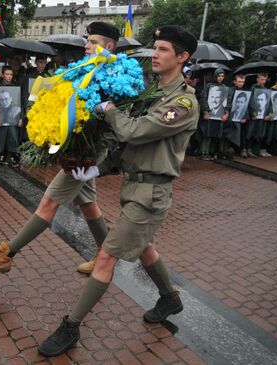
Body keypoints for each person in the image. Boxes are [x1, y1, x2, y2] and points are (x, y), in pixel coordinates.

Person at [36, 25, 199, 357]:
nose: (155, 54)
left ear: (182, 57)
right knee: (144, 248)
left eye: (164, 49)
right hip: (133, 183)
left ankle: (71, 326)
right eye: (156, 47)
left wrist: (109, 110)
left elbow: (135, 132)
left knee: (107, 255)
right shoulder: (152, 92)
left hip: (152, 192)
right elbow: (120, 138)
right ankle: (170, 298)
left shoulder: (182, 102)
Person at [0, 21, 121, 278]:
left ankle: (6, 255)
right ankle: (105, 256)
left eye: (93, 42)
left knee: (49, 201)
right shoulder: (86, 68)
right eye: (88, 40)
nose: (87, 45)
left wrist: (89, 154)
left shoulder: (115, 77)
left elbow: (110, 122)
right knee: (88, 205)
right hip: (76, 149)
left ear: (109, 46)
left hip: (84, 155)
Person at [0, 66, 23, 167]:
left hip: (13, 115)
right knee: (1, 135)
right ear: (2, 75)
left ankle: (11, 155)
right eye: (7, 74)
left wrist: (20, 117)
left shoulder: (16, 86)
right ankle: (0, 155)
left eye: (11, 74)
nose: (9, 76)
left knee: (13, 135)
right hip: (0, 115)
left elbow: (20, 103)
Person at [200, 68, 228, 160]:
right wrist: (205, 111)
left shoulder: (224, 87)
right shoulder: (209, 86)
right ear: (215, 76)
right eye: (219, 76)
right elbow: (203, 99)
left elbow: (226, 102)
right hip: (209, 114)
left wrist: (226, 113)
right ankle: (203, 152)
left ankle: (211, 153)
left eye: (222, 76)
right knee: (206, 134)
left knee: (214, 135)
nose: (220, 78)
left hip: (219, 116)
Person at [247, 73, 271, 157]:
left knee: (260, 132)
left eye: (265, 80)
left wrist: (269, 114)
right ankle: (248, 149)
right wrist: (253, 112)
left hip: (263, 115)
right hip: (254, 115)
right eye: (262, 79)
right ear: (257, 79)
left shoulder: (266, 90)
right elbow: (250, 101)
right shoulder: (252, 89)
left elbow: (269, 103)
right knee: (251, 132)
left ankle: (256, 150)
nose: (263, 82)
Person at [227, 75, 250, 158]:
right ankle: (228, 149)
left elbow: (245, 105)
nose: (241, 83)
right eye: (239, 81)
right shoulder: (230, 90)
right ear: (235, 81)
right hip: (230, 116)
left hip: (240, 116)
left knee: (241, 133)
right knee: (229, 132)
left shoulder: (244, 91)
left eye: (243, 82)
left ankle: (240, 149)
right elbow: (228, 102)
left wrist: (245, 116)